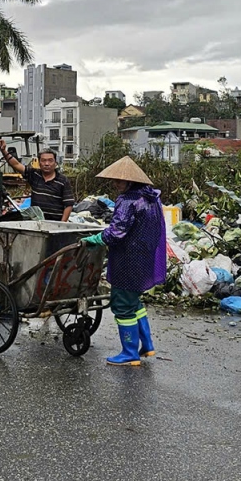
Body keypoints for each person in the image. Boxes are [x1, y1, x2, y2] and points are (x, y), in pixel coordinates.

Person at [81, 156, 167, 366]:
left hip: (128, 260)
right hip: (144, 257)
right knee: (134, 302)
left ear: (132, 182)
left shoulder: (129, 201)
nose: (116, 184)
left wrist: (94, 239)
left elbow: (116, 232)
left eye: (120, 181)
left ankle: (129, 353)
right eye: (115, 180)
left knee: (122, 305)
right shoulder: (150, 198)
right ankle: (146, 346)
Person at [0, 140, 73, 222]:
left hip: (55, 223)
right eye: (43, 160)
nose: (47, 163)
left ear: (55, 162)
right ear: (39, 162)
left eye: (50, 160)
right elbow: (16, 164)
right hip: (36, 223)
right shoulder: (35, 175)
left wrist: (61, 224)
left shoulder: (63, 181)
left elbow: (68, 205)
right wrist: (3, 150)